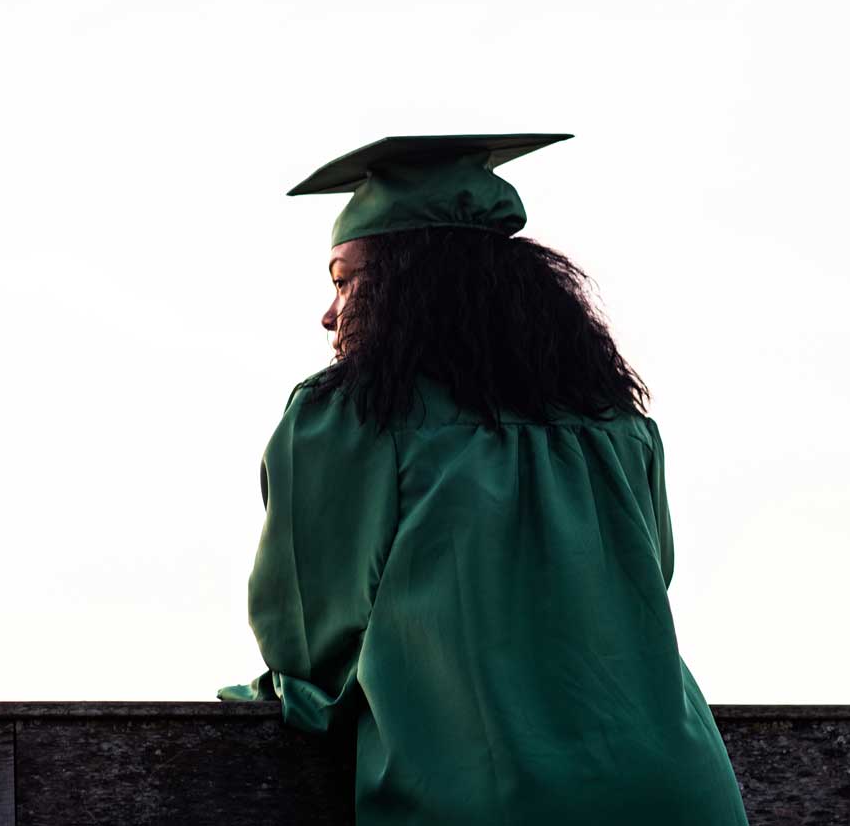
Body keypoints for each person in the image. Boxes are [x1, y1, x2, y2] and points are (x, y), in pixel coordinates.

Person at [219, 134, 750, 825]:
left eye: (343, 280)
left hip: (486, 800)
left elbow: (309, 641)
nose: (329, 313)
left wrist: (282, 693)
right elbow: (645, 586)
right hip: (681, 794)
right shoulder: (615, 421)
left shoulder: (348, 419)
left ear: (402, 288)